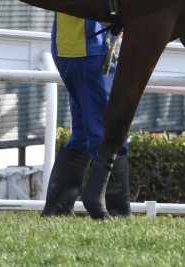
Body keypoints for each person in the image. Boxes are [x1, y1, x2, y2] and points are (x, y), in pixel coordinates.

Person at [41, 13, 130, 217]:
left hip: (74, 47)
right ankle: (116, 211)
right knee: (109, 132)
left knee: (83, 134)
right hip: (89, 50)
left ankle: (58, 208)